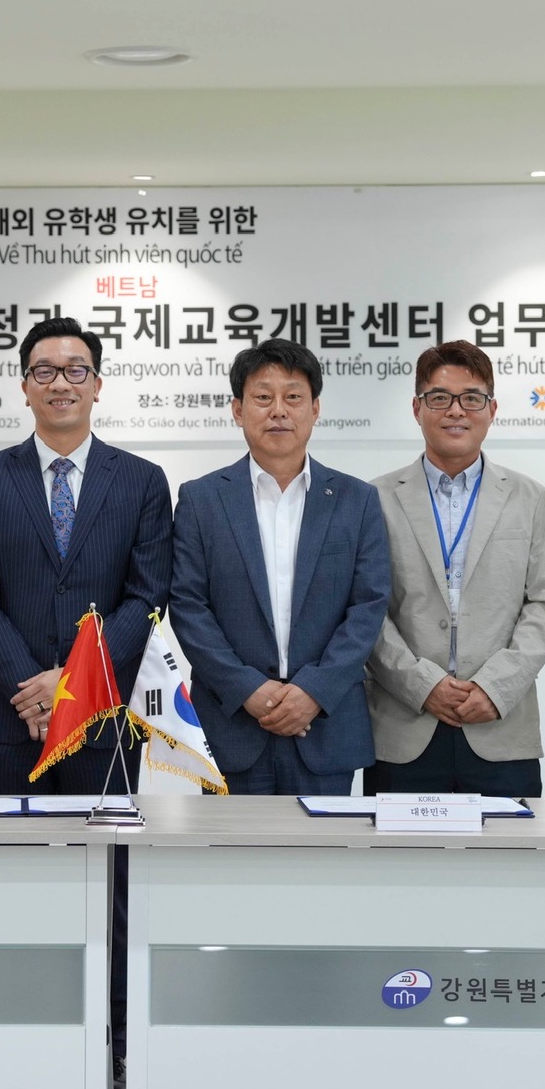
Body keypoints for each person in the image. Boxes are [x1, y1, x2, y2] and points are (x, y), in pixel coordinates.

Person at [0, 316, 172, 795]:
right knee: (12, 843)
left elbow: (147, 597)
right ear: (25, 387)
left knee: (103, 841)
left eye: (75, 370)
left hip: (103, 712)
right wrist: (31, 690)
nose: (60, 384)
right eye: (44, 371)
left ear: (96, 386)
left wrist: (73, 682)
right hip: (9, 710)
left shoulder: (143, 480)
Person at [170, 339, 391, 796]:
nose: (278, 411)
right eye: (262, 397)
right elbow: (188, 606)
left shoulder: (357, 500)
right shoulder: (201, 499)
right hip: (232, 725)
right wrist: (246, 688)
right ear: (237, 409)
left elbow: (368, 606)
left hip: (325, 725)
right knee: (230, 847)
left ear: (315, 409)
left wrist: (315, 690)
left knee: (324, 846)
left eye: (293, 397)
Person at [366, 341, 545, 797]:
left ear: (492, 409)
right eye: (439, 398)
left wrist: (495, 687)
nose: (456, 411)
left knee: (509, 845)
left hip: (500, 726)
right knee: (400, 848)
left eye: (471, 398)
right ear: (417, 408)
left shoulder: (530, 498)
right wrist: (421, 684)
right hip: (403, 727)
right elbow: (365, 608)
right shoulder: (374, 499)